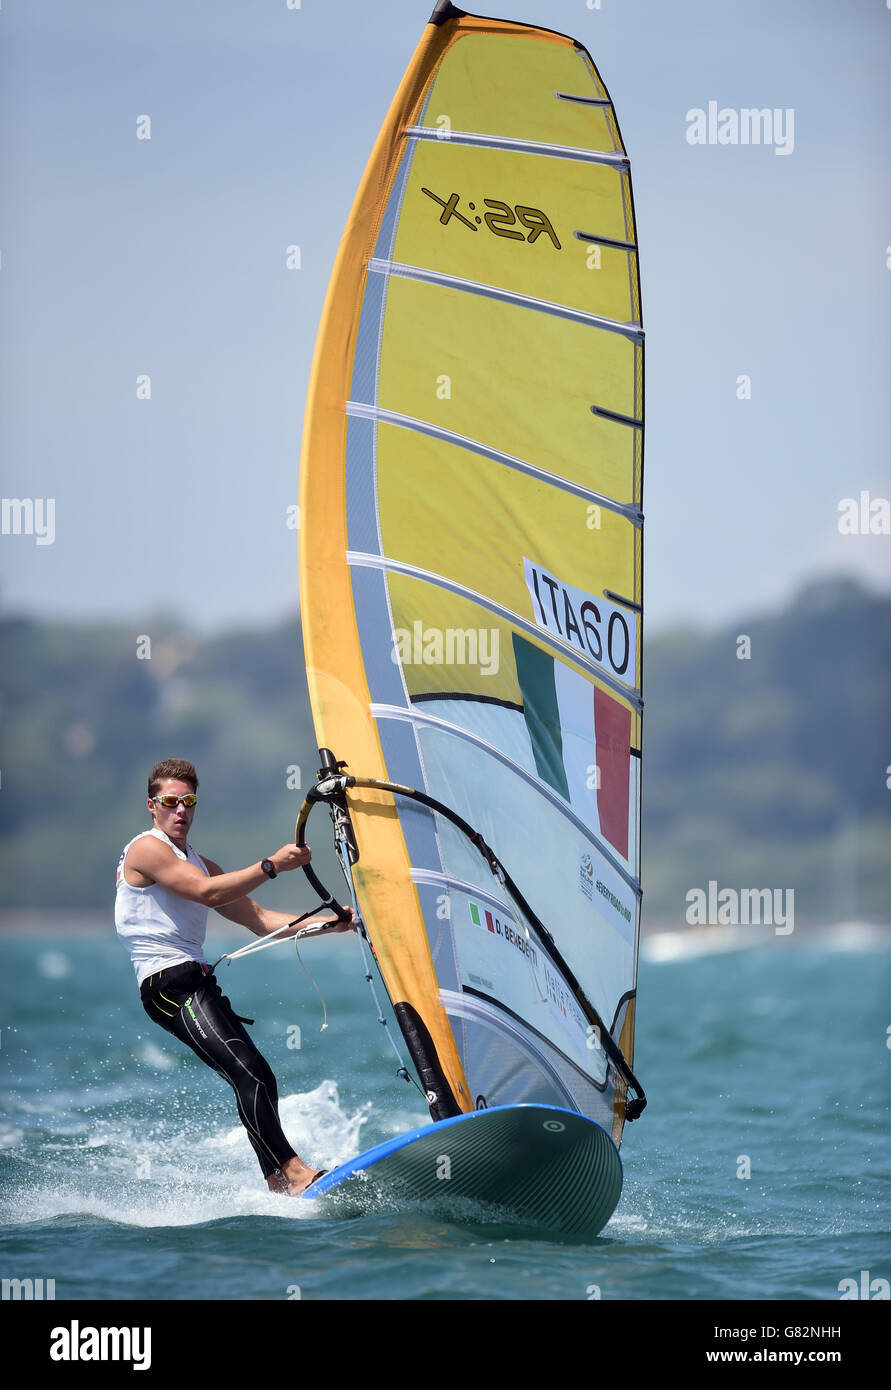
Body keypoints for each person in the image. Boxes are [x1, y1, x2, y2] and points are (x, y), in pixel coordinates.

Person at [115, 757, 354, 1196]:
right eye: (170, 802)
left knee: (255, 1074)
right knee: (252, 1072)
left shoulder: (199, 863)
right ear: (153, 806)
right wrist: (271, 866)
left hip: (195, 982)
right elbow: (207, 894)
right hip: (166, 985)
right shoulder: (145, 850)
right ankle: (296, 1174)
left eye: (188, 801)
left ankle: (278, 1183)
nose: (181, 811)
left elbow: (260, 919)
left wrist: (330, 924)